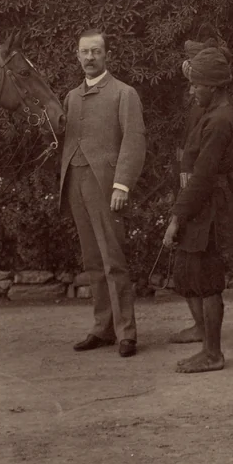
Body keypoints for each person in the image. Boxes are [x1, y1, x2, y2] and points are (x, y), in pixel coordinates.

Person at [59, 29, 146, 358]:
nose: (90, 58)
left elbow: (134, 141)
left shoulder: (124, 94)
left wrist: (121, 185)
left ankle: (127, 332)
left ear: (107, 55)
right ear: (77, 55)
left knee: (113, 261)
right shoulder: (70, 97)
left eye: (96, 51)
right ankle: (102, 328)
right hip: (75, 183)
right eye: (85, 52)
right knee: (93, 261)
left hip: (106, 186)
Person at [163, 46, 233, 374]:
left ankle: (213, 353)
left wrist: (175, 219)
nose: (192, 89)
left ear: (212, 86)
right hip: (203, 205)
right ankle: (203, 335)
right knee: (191, 272)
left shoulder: (221, 121)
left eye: (196, 85)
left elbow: (202, 178)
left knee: (209, 280)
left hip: (211, 209)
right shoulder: (210, 113)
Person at [169, 23, 225, 346]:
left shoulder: (215, 113)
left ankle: (210, 343)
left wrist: (179, 212)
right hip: (190, 188)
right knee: (187, 269)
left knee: (202, 271)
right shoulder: (199, 105)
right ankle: (200, 328)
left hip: (203, 196)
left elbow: (206, 167)